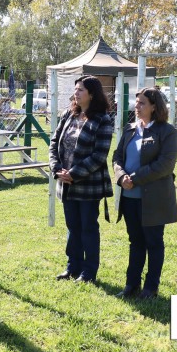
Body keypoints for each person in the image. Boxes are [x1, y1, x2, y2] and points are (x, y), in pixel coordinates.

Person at [111, 88, 177, 300]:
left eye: (141, 103)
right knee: (135, 242)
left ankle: (151, 288)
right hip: (130, 198)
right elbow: (117, 157)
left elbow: (165, 165)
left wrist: (136, 178)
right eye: (136, 102)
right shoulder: (130, 129)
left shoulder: (167, 132)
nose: (136, 107)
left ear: (154, 107)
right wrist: (122, 177)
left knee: (153, 242)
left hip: (154, 198)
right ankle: (132, 285)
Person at [48, 76, 114, 284]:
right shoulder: (69, 114)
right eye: (75, 90)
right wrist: (57, 168)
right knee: (73, 227)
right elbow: (54, 142)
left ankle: (89, 272)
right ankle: (72, 267)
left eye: (81, 90)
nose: (76, 93)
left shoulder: (103, 119)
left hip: (88, 186)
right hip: (65, 184)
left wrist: (74, 173)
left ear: (92, 94)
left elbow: (99, 156)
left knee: (87, 228)